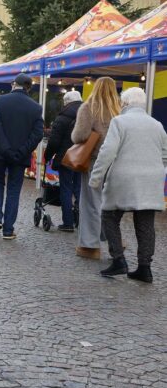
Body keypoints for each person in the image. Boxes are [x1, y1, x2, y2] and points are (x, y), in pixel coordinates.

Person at [90, 87, 167, 282]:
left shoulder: (119, 122)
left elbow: (107, 152)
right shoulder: (156, 124)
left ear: (124, 104)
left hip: (124, 178)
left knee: (109, 215)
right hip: (150, 180)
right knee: (145, 223)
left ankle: (119, 260)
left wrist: (96, 177)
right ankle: (145, 267)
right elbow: (165, 155)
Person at [0, 73, 44, 239]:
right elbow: (37, 134)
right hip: (20, 156)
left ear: (13, 84)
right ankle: (8, 229)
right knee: (14, 190)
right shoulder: (35, 107)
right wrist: (22, 151)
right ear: (28, 87)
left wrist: (6, 149)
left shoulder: (1, 101)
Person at [71, 76, 121, 260]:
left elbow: (79, 136)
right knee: (111, 204)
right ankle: (115, 239)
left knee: (91, 203)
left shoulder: (89, 108)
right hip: (116, 163)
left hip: (94, 161)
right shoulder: (119, 110)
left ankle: (90, 246)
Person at [43, 90, 83, 231]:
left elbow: (54, 141)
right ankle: (83, 220)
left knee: (66, 189)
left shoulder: (63, 117)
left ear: (66, 102)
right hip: (83, 158)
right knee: (79, 188)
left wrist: (47, 156)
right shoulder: (88, 115)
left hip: (66, 158)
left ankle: (68, 223)